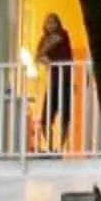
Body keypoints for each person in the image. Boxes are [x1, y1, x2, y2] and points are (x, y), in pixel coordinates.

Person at [36, 14, 76, 152]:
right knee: (45, 118)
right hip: (53, 80)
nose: (50, 25)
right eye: (48, 23)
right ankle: (51, 148)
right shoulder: (44, 39)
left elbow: (44, 50)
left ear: (58, 23)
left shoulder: (62, 34)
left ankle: (61, 148)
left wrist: (44, 56)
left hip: (65, 79)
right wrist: (45, 59)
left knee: (65, 116)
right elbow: (38, 57)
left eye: (53, 22)